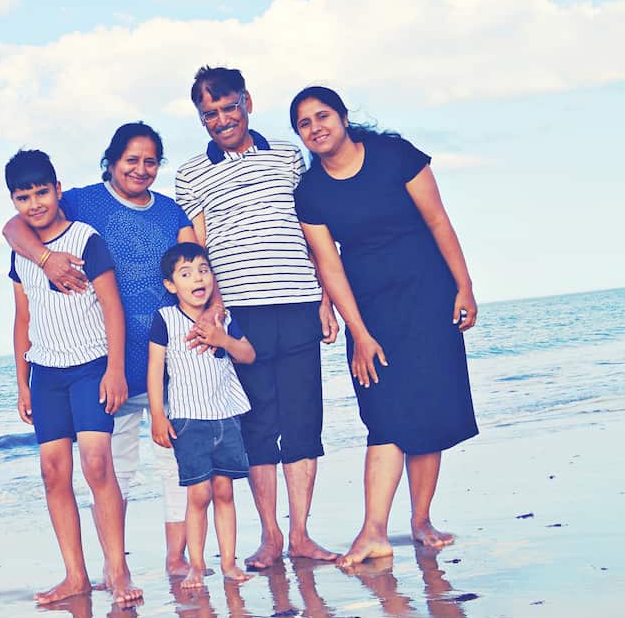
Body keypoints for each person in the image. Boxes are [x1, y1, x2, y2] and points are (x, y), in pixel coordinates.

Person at [289, 86, 478, 569]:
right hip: (371, 310)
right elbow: (328, 266)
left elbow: (439, 222)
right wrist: (360, 334)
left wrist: (464, 287)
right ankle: (373, 530)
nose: (316, 127)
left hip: (428, 296)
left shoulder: (396, 155)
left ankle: (420, 521)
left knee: (431, 410)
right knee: (385, 414)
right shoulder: (310, 193)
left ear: (344, 117)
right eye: (304, 124)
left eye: (322, 116)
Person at [3, 123, 199, 577]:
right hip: (107, 364)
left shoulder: (171, 213)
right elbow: (16, 225)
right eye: (131, 159)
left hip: (165, 356)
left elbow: (196, 268)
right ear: (110, 161)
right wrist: (45, 259)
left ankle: (176, 558)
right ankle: (115, 565)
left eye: (151, 161)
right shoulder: (82, 201)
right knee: (114, 466)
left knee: (175, 460)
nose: (141, 169)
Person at [173, 66, 339, 570]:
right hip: (240, 315)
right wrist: (209, 310)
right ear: (201, 117)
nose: (221, 119)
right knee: (259, 429)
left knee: (305, 421)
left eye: (228, 107)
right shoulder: (190, 174)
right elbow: (193, 245)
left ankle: (303, 535)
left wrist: (326, 298)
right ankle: (270, 537)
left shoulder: (289, 157)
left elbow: (314, 232)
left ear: (247, 101)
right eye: (210, 113)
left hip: (298, 302)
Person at [4, 148, 143, 605]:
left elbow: (112, 307)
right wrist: (22, 381)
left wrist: (116, 369)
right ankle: (75, 576)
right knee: (52, 473)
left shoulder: (86, 239)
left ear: (58, 189)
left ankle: (118, 572)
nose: (35, 204)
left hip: (91, 367)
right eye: (23, 197)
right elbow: (22, 316)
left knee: (98, 465)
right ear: (14, 201)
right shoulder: (21, 249)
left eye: (41, 192)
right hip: (46, 374)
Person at [147, 242, 256, 587]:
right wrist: (157, 416)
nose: (198, 278)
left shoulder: (222, 318)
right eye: (186, 273)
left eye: (203, 270)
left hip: (226, 415)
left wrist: (222, 339)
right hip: (188, 419)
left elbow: (248, 354)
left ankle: (228, 563)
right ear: (170, 285)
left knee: (224, 491)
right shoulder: (164, 319)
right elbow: (154, 371)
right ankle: (195, 564)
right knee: (199, 494)